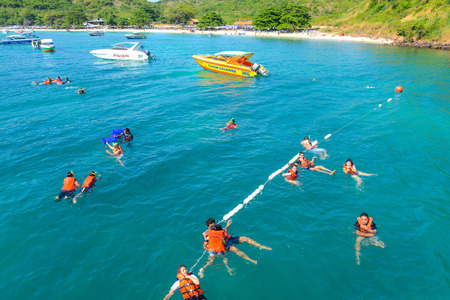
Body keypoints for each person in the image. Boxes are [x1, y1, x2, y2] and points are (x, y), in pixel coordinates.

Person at [199, 219, 271, 278]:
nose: (214, 226)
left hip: (229, 240)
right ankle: (251, 260)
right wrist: (209, 249)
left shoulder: (218, 228)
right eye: (212, 225)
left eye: (214, 224)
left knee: (245, 238)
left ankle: (260, 246)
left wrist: (227, 226)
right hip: (223, 246)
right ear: (208, 227)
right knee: (234, 250)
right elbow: (205, 245)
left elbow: (225, 231)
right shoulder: (208, 234)